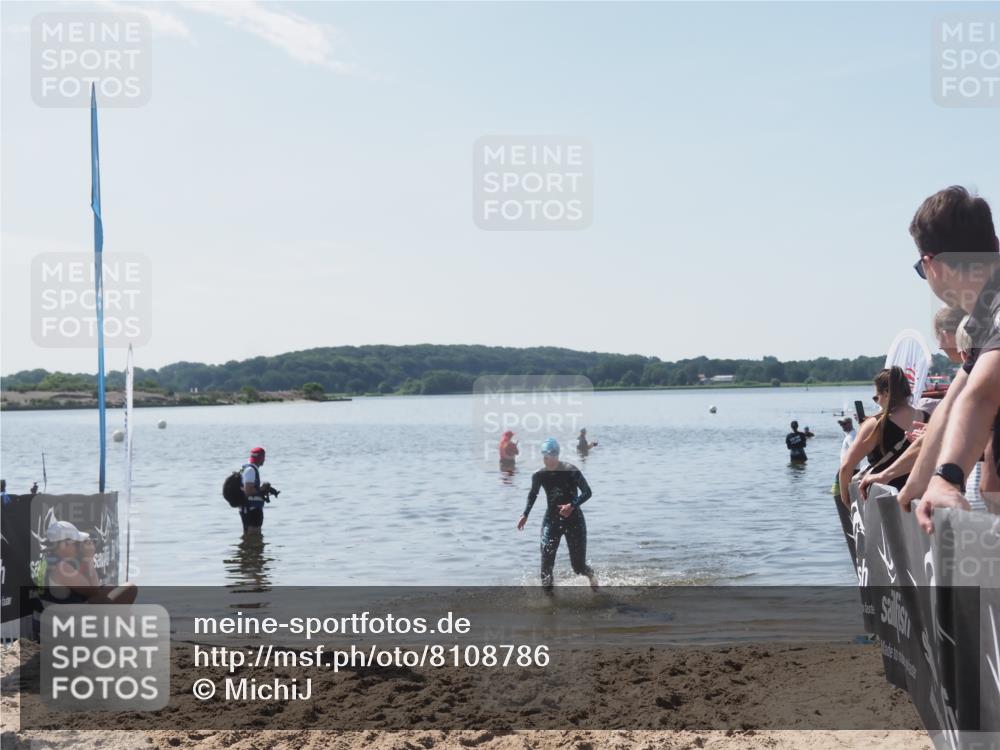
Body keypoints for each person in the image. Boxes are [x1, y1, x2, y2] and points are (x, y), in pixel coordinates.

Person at [896, 186, 1000, 524]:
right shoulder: (984, 317)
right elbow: (954, 401)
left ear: (931, 266)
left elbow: (982, 395)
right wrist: (915, 486)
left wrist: (947, 478)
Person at [516, 438, 598, 593]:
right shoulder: (539, 475)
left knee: (578, 567)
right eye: (545, 457)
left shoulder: (570, 470)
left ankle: (592, 578)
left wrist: (572, 505)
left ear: (556, 456)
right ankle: (549, 604)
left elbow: (588, 492)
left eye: (550, 457)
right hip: (551, 521)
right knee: (546, 566)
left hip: (574, 521)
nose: (547, 461)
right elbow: (533, 494)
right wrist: (525, 514)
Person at [839, 367, 928, 509]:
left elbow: (846, 467)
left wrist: (846, 501)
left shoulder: (876, 425)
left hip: (884, 504)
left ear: (886, 393)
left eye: (876, 397)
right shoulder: (928, 419)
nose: (877, 403)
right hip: (921, 500)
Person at [35, 520, 137, 605]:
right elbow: (93, 591)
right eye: (76, 543)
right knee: (129, 588)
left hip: (51, 614)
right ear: (64, 545)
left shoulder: (48, 559)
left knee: (109, 588)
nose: (79, 546)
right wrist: (89, 559)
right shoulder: (62, 567)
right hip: (63, 622)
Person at [241, 446, 276, 532]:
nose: (264, 460)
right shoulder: (251, 470)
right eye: (264, 457)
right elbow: (248, 490)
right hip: (252, 510)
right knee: (255, 536)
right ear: (261, 458)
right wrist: (262, 489)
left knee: (250, 538)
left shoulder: (248, 469)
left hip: (249, 509)